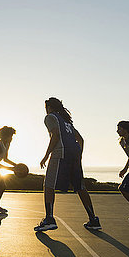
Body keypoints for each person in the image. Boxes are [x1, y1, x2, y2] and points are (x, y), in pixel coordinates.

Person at [34, 97, 101, 232]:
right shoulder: (67, 121)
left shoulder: (50, 117)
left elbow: (56, 135)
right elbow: (80, 139)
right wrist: (79, 155)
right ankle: (93, 219)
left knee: (48, 185)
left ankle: (49, 219)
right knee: (80, 187)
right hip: (74, 154)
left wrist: (46, 155)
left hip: (61, 153)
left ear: (49, 107)